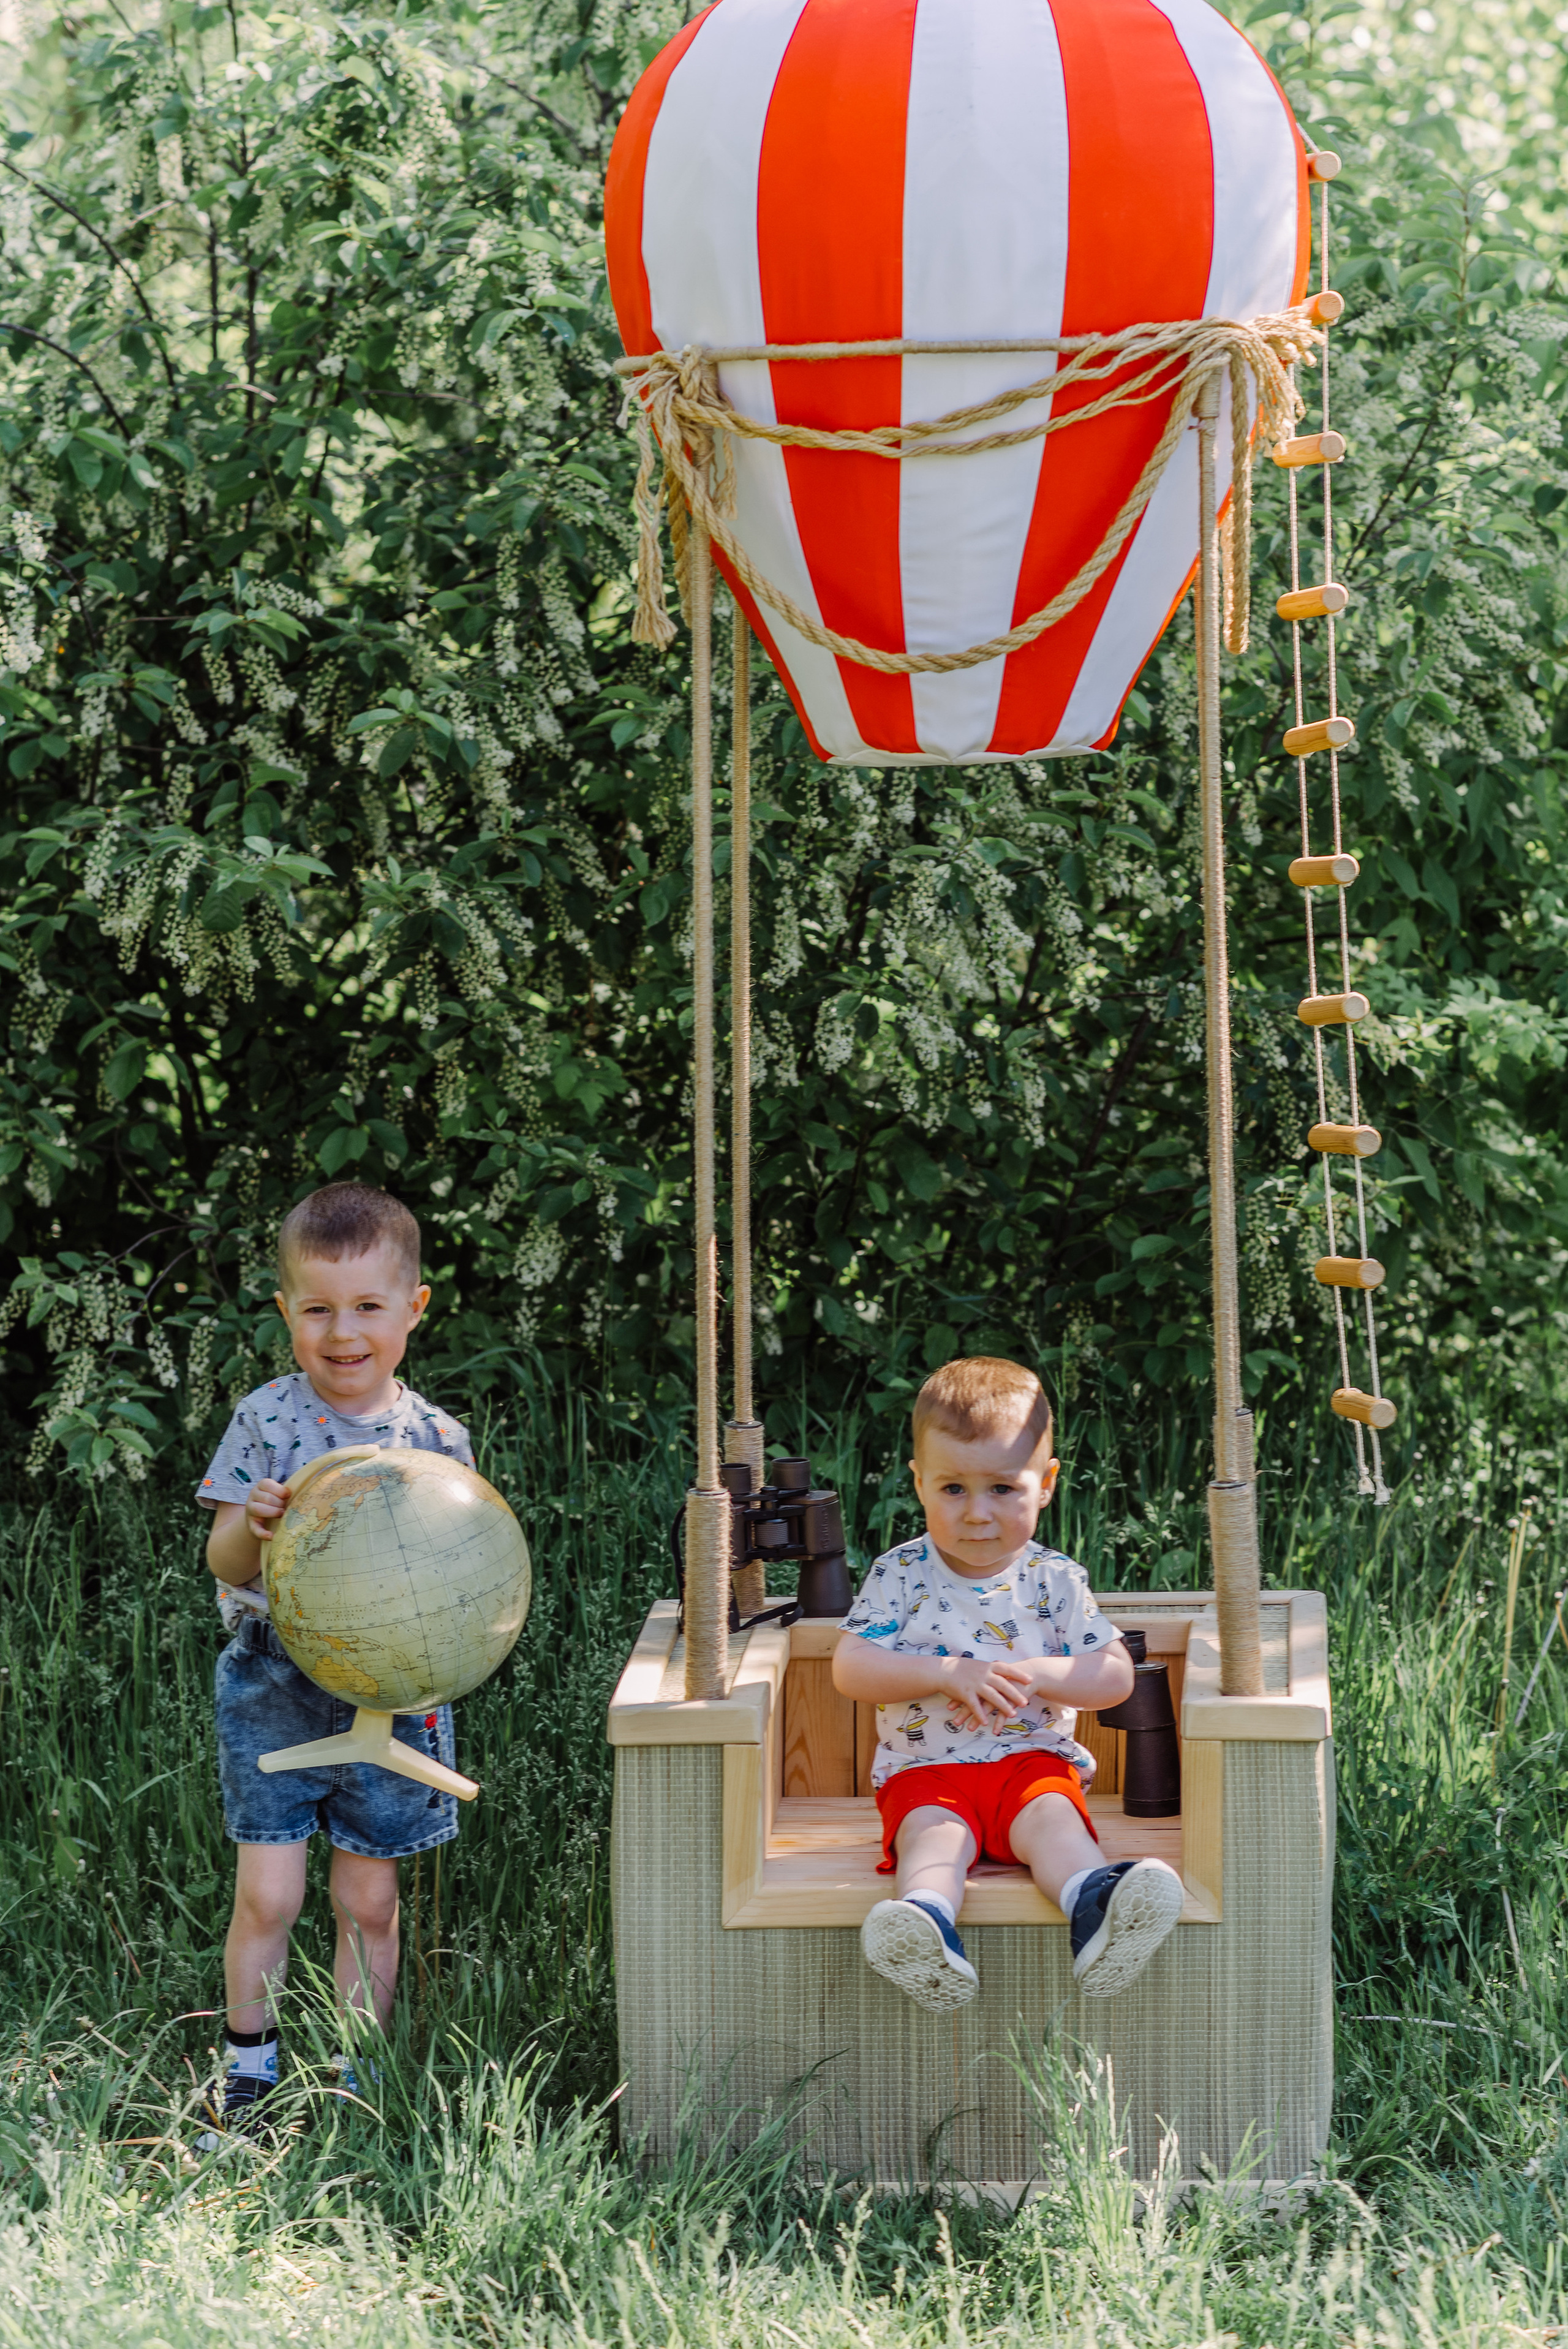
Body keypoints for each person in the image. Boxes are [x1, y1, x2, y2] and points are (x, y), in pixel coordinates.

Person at [195, 1181, 473, 2136]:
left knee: (369, 1895)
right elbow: (222, 1560)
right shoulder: (267, 1420)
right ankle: (249, 2070)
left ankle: (358, 2075)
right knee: (267, 1890)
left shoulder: (436, 1440)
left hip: (396, 1688)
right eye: (317, 1308)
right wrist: (255, 1525)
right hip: (274, 1680)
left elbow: (467, 1579)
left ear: (413, 1308)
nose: (342, 1331)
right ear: (286, 1312)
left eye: (367, 1306)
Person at [832, 1356, 1183, 2011]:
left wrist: (1037, 1673)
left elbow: (1111, 1677)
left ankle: (1095, 1906)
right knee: (933, 1837)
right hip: (926, 1771)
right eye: (953, 1489)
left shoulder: (1053, 1580)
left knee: (1055, 1823)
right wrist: (945, 1672)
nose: (976, 1514)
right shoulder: (902, 1573)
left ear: (1045, 1483)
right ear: (918, 1484)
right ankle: (926, 1925)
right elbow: (851, 1668)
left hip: (1030, 1764)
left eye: (1002, 1488)